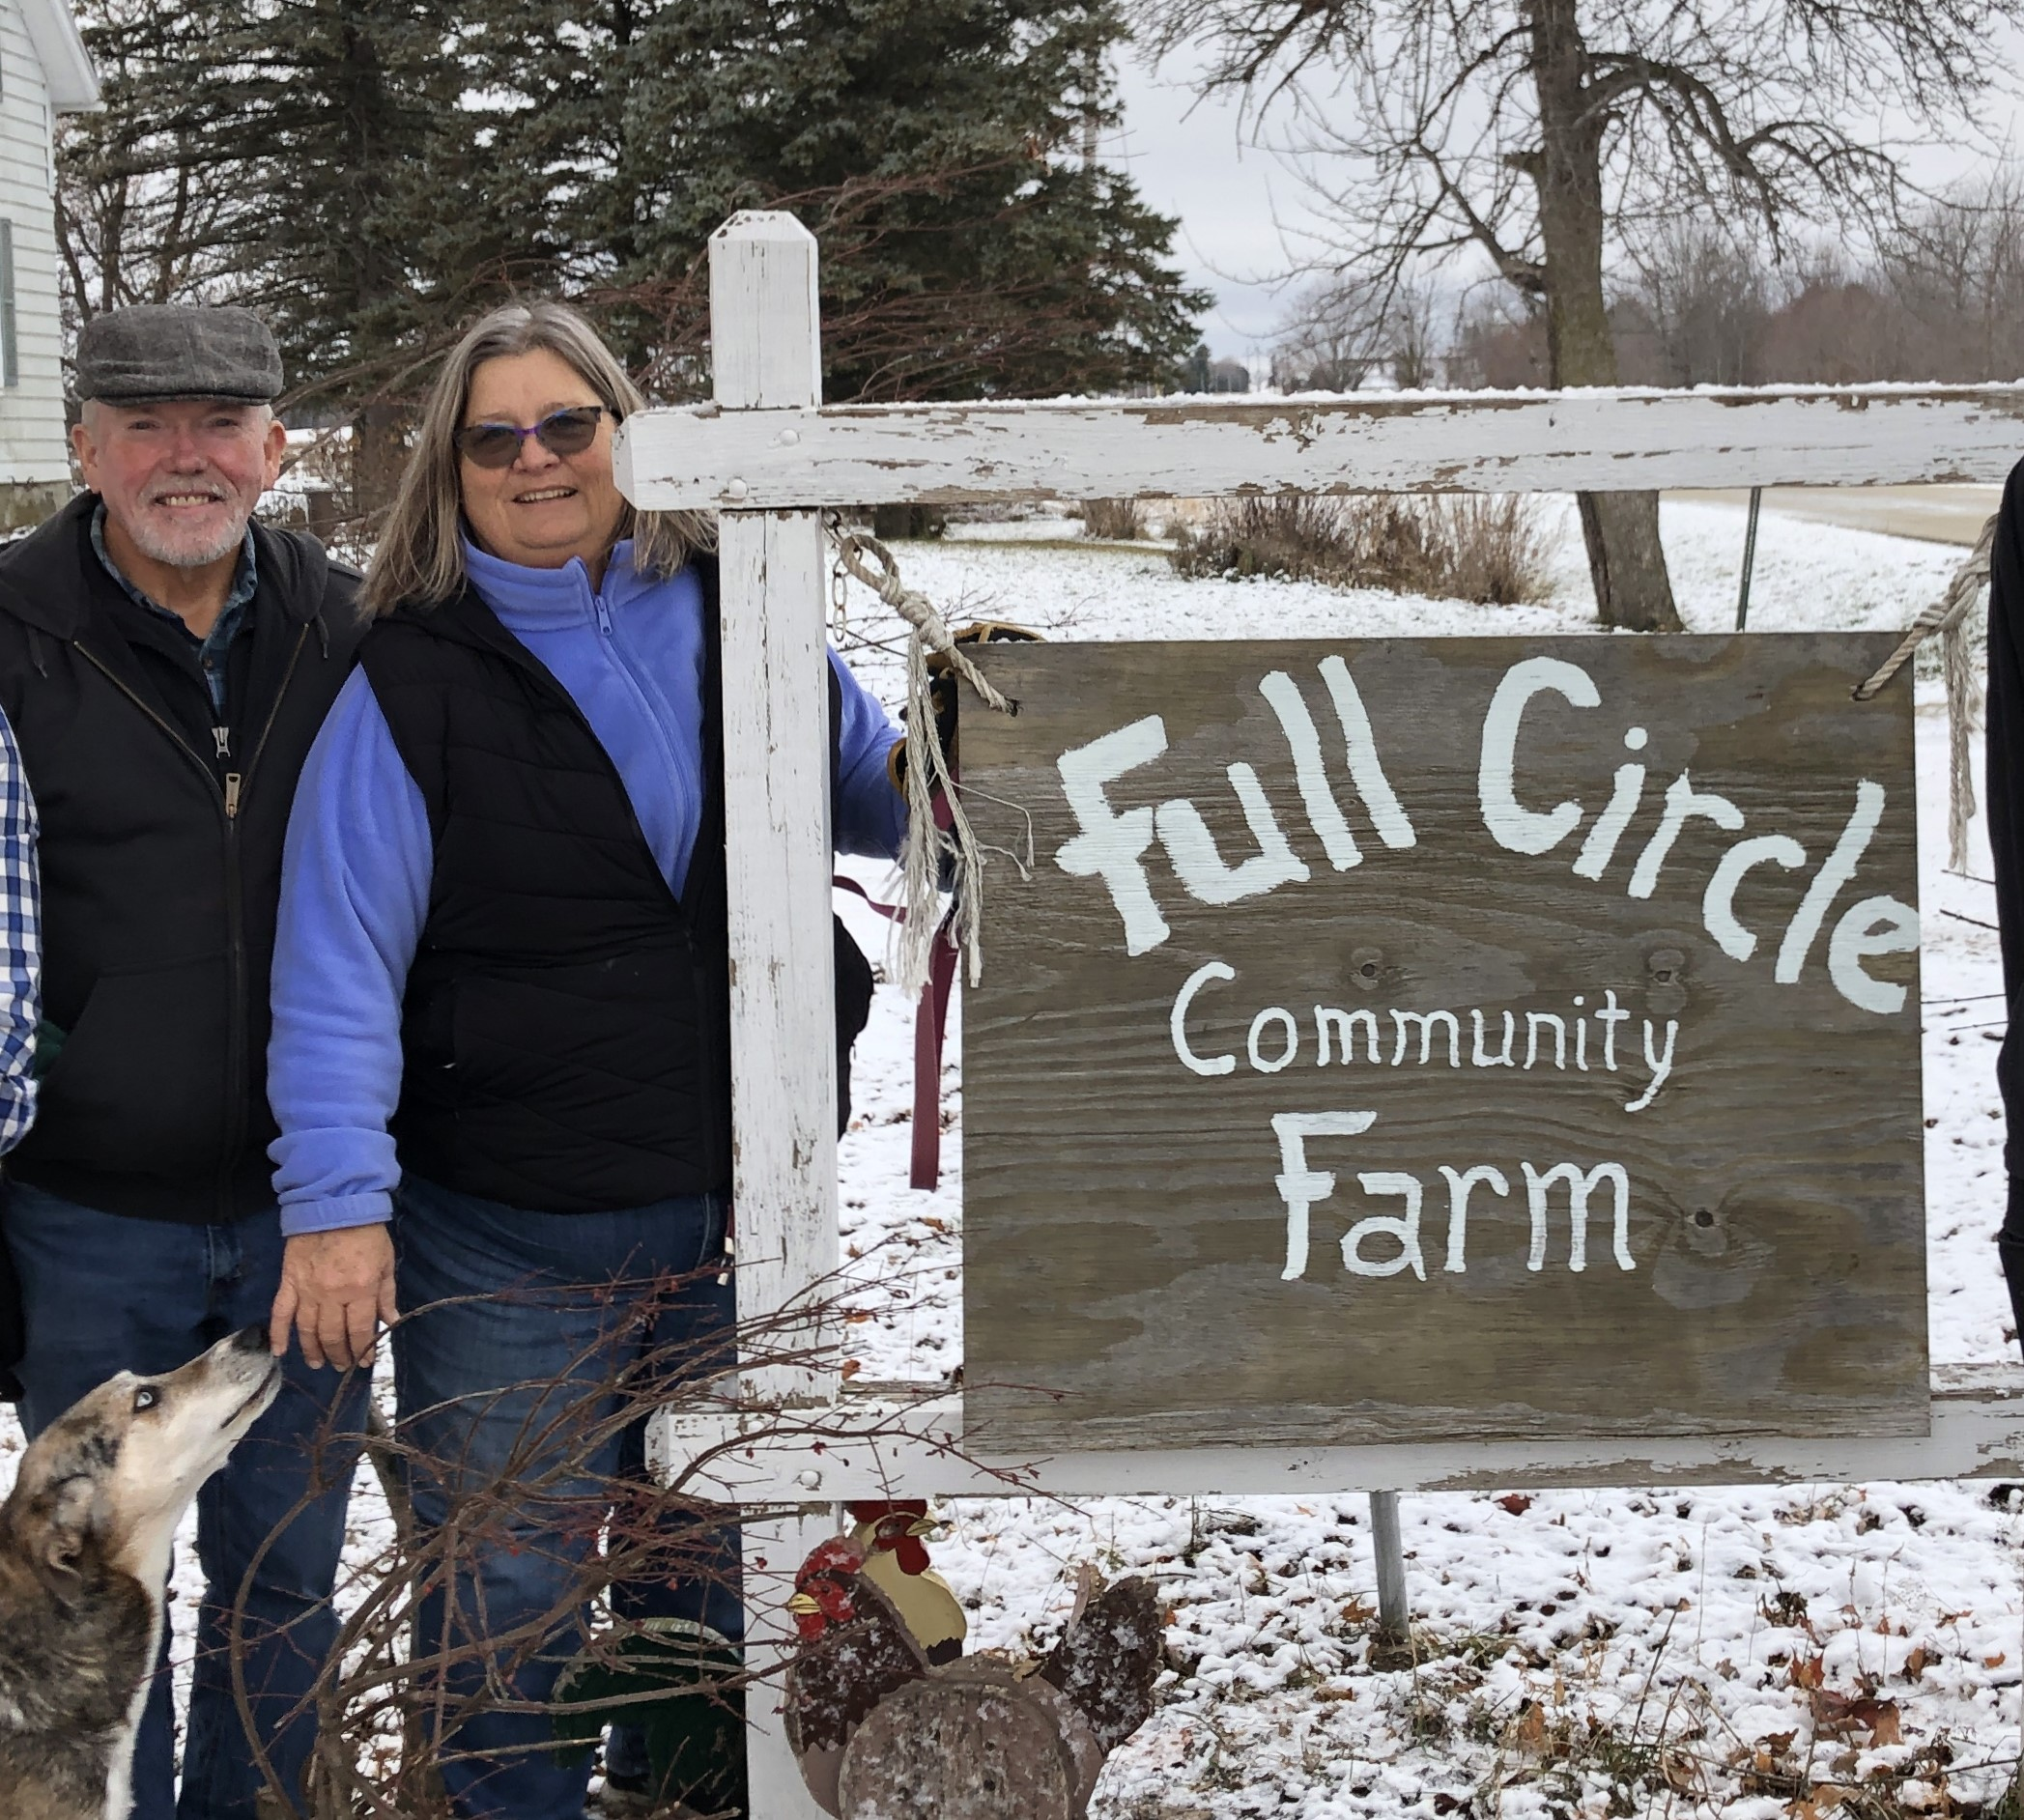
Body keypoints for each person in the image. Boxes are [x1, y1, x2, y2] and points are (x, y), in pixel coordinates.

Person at [264, 299, 906, 1819]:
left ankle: (680, 1800)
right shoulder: (406, 683)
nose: (535, 459)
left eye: (568, 425)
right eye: (495, 438)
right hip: (510, 1233)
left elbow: (885, 794)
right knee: (509, 1591)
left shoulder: (735, 610)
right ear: (452, 469)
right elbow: (336, 964)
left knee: (715, 1563)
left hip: (732, 1207)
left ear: (630, 433)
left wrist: (981, 736)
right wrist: (336, 1203)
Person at [0, 304, 368, 1820]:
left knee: (284, 1580)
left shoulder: (346, 624)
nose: (184, 456)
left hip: (309, 1211)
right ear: (82, 447)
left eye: (220, 422)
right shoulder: (12, 627)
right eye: (143, 424)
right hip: (88, 1211)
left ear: (273, 449)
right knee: (93, 1589)